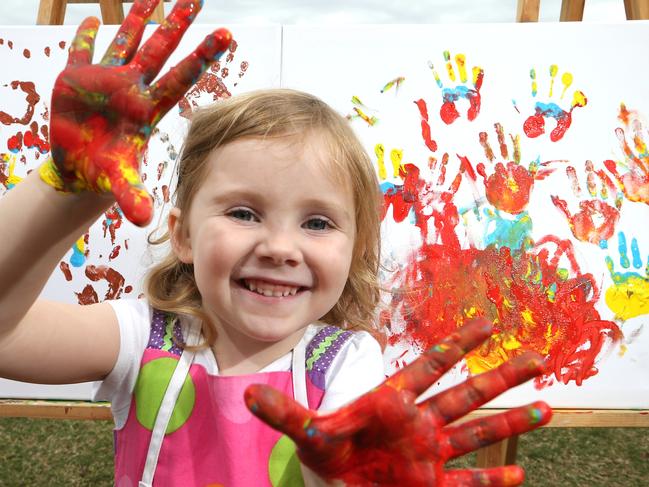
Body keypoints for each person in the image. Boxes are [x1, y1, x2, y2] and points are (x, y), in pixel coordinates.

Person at [0, 0, 551, 486]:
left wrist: (342, 473)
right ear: (183, 235)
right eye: (243, 212)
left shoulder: (344, 365)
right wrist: (64, 190)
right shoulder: (143, 338)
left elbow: (347, 458)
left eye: (317, 223)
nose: (281, 247)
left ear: (357, 251)